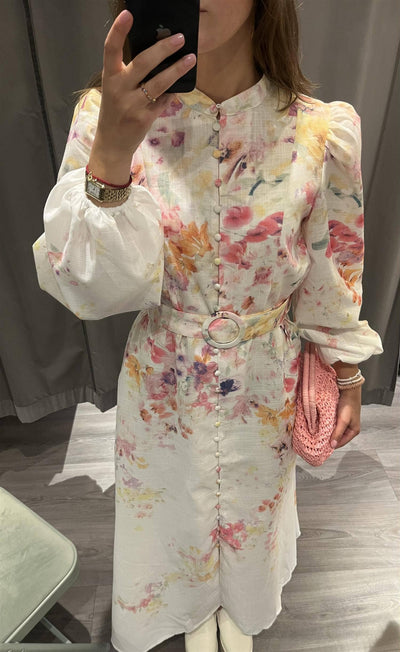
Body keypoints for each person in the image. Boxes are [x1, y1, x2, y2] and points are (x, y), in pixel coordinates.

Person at [32, 1, 384, 651]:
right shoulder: (108, 118)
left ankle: (238, 608)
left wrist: (346, 369)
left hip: (264, 378)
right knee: (171, 508)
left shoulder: (319, 131)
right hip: (163, 379)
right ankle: (189, 610)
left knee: (253, 514)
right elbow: (86, 288)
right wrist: (112, 153)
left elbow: (332, 264)